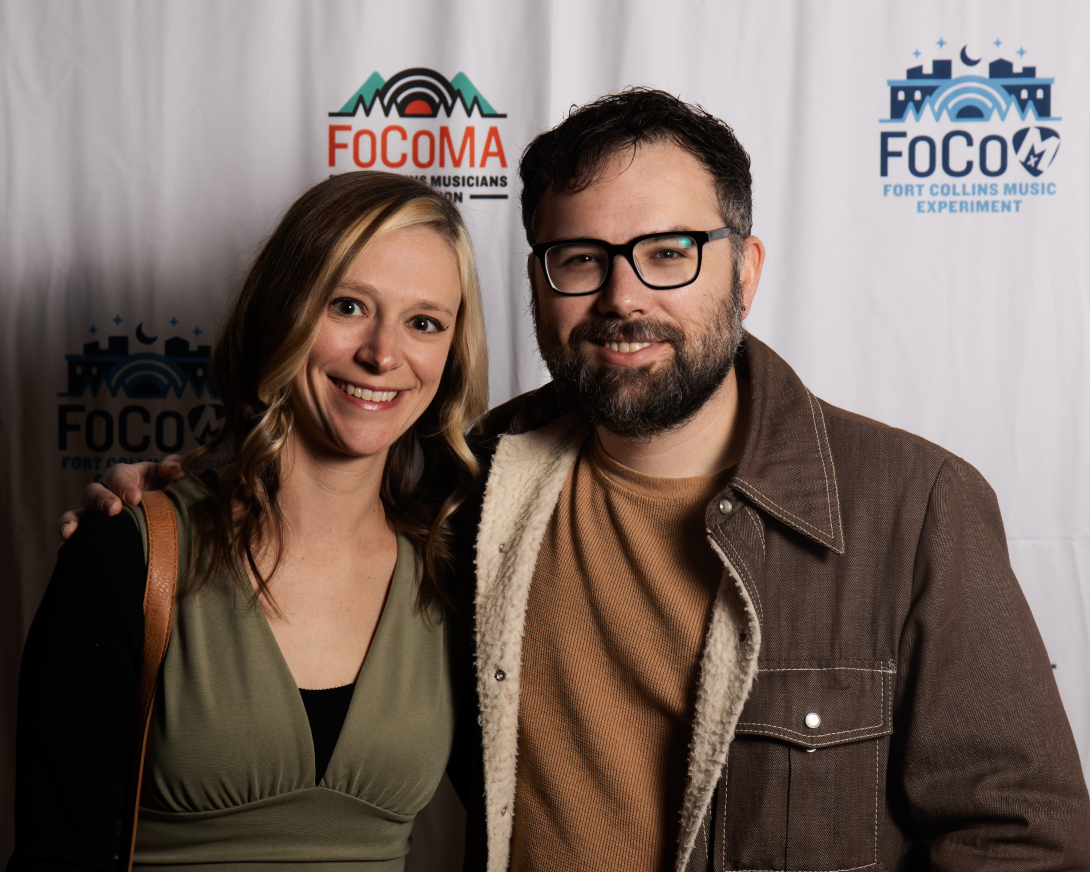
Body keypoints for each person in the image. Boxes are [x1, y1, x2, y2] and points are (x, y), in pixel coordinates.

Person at [62, 90, 1090, 871]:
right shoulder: (472, 485)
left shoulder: (912, 506)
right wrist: (157, 502)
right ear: (534, 284)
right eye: (581, 258)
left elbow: (1022, 835)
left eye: (668, 252)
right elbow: (314, 480)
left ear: (745, 268)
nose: (622, 295)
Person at [12, 171, 488, 869]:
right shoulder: (130, 552)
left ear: (449, 357)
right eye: (348, 305)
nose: (384, 354)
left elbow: (541, 823)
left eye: (424, 322)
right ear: (283, 311)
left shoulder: (454, 577)